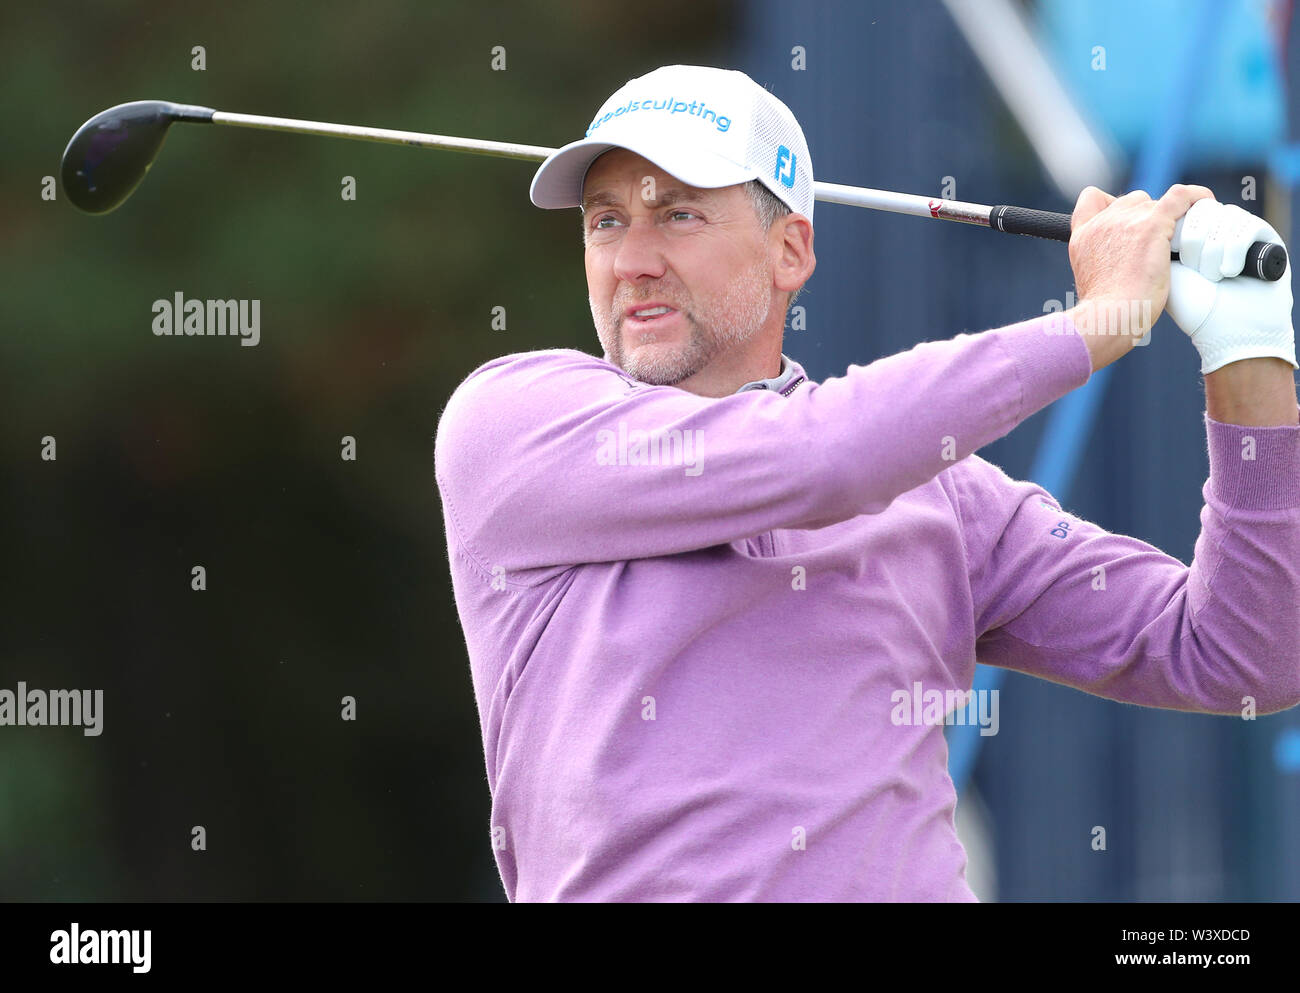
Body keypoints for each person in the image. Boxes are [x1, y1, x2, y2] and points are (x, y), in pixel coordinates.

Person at [434, 64, 1300, 901]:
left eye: (680, 214)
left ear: (790, 249)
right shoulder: (512, 426)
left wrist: (1249, 351)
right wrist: (1096, 322)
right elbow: (821, 459)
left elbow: (1244, 656)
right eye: (606, 221)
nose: (634, 260)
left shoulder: (946, 497)